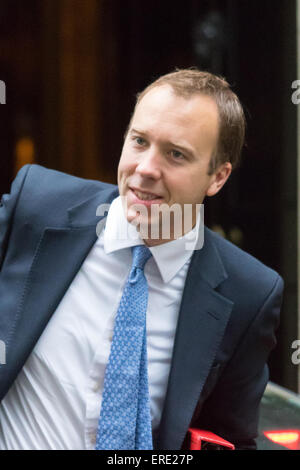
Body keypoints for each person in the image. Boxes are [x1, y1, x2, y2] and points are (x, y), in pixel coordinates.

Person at [0, 69, 283, 450]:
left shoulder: (250, 294)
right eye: (139, 141)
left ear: (217, 177)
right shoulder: (36, 206)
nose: (146, 169)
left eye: (176, 154)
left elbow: (230, 439)